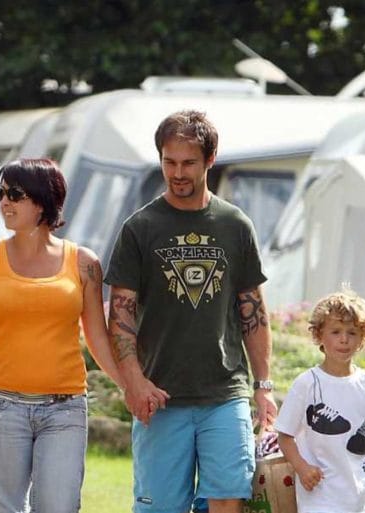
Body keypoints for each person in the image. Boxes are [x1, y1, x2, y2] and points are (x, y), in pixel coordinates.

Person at [104, 110, 276, 513]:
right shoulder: (139, 228)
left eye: (188, 163)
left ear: (210, 161)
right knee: (160, 508)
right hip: (160, 397)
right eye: (169, 161)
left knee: (228, 501)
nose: (177, 172)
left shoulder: (235, 225)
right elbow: (121, 316)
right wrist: (133, 382)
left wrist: (264, 385)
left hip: (225, 393)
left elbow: (252, 311)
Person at [0, 158, 125, 513]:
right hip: (0, 405)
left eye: (15, 194)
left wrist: (129, 385)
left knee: (59, 507)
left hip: (65, 409)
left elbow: (97, 338)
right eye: (2, 193)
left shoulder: (84, 263)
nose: (5, 201)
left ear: (43, 200)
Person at [275, 291, 365, 513]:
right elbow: (285, 435)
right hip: (321, 497)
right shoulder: (307, 384)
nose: (344, 339)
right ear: (319, 335)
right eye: (335, 332)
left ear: (363, 338)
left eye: (352, 332)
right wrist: (302, 467)